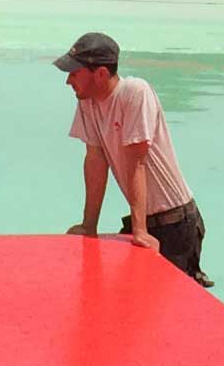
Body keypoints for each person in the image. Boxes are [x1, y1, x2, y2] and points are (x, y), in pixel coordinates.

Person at [58, 31, 210, 287]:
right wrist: (89, 226)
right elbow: (95, 161)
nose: (68, 80)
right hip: (144, 221)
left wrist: (140, 231)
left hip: (176, 223)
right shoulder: (88, 102)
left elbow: (136, 161)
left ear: (101, 74)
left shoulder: (135, 92)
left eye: (74, 73)